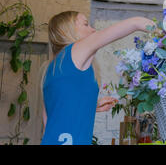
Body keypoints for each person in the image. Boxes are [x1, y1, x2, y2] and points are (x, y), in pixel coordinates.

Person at [40, 11, 157, 145]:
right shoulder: (74, 51)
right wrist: (163, 33)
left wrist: (91, 105)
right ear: (67, 31)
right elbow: (135, 22)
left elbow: (52, 119)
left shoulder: (53, 67)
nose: (93, 30)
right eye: (86, 25)